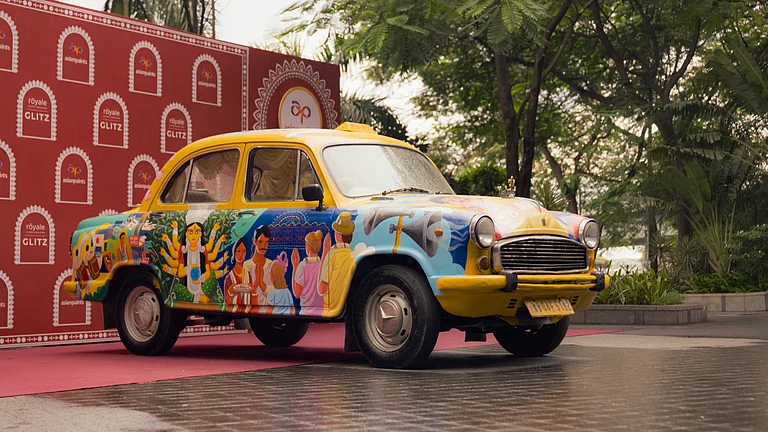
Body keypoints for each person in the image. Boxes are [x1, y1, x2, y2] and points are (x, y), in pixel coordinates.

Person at [319, 212, 356, 317]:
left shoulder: (332, 255)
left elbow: (321, 289)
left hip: (331, 306)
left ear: (338, 235)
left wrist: (325, 252)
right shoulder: (356, 255)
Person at [291, 230, 323, 316]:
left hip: (306, 311)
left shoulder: (302, 266)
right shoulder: (323, 265)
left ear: (308, 246)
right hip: (322, 310)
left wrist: (295, 266)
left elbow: (297, 293)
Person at [244, 225, 272, 313]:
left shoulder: (270, 264)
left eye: (266, 242)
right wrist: (257, 282)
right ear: (254, 241)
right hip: (252, 308)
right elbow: (245, 290)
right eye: (260, 242)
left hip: (269, 309)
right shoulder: (247, 265)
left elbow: (274, 290)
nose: (263, 246)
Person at [224, 238, 253, 312]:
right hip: (233, 313)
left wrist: (254, 292)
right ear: (234, 253)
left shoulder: (248, 275)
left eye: (244, 251)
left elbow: (253, 300)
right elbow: (226, 304)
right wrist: (230, 292)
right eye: (238, 251)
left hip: (247, 312)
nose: (241, 255)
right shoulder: (229, 278)